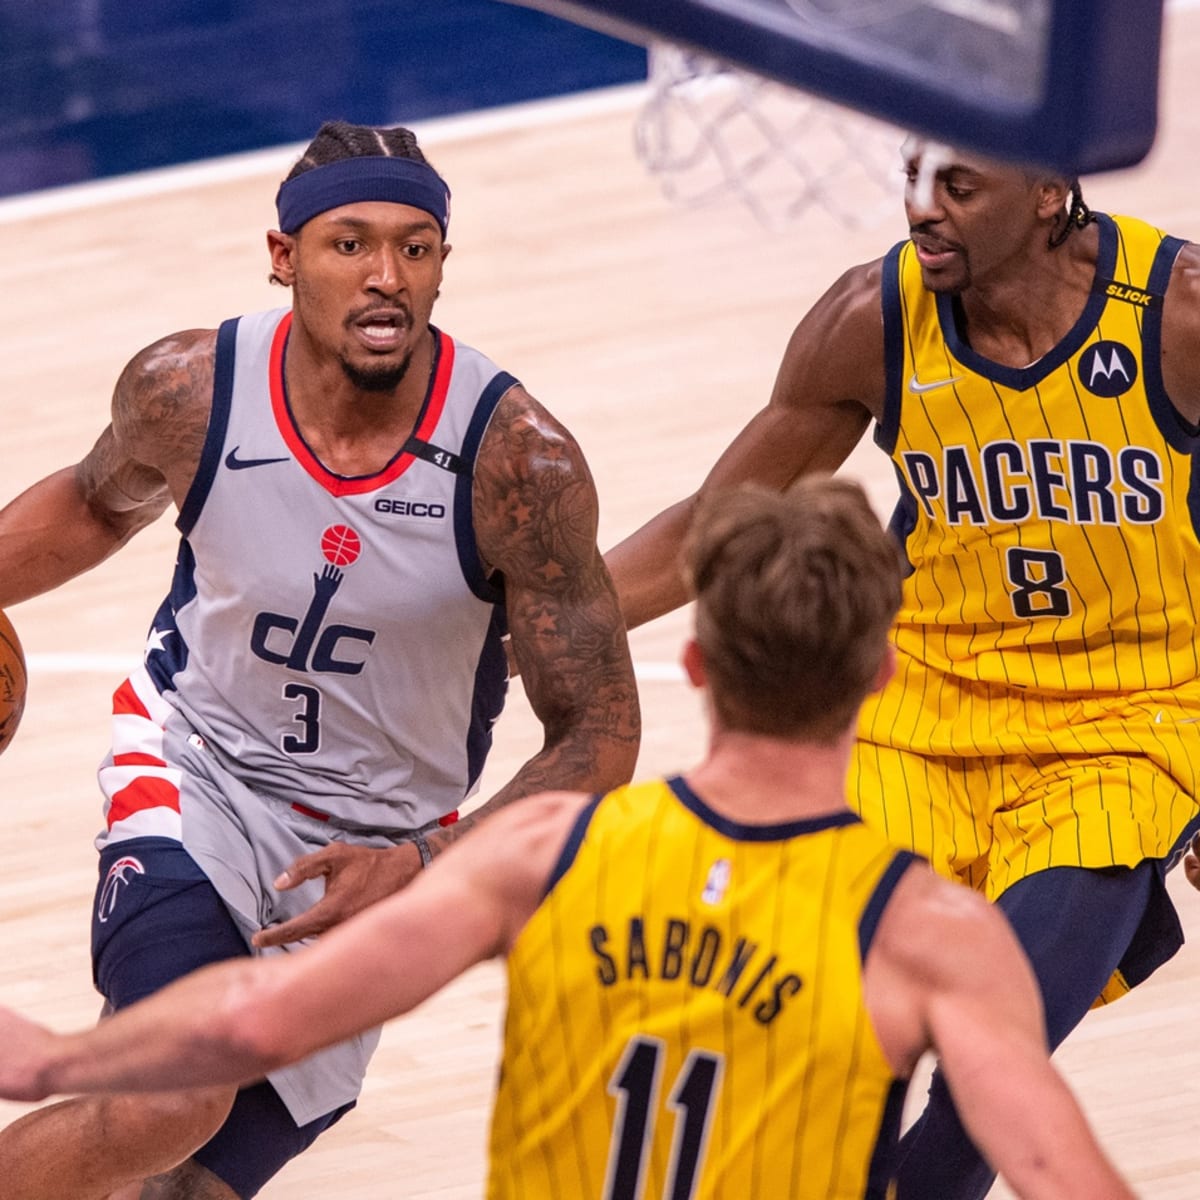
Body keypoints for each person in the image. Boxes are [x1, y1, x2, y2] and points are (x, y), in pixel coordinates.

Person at [0, 478, 1137, 1200]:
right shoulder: (932, 935)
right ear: (883, 674)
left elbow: (257, 1017)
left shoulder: (544, 854)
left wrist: (51, 1061)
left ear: (694, 667)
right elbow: (1058, 1171)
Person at [0, 120, 640, 1199]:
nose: (387, 276)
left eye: (415, 248)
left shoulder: (519, 465)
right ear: (283, 255)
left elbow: (600, 737)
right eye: (351, 245)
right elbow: (94, 504)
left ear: (442, 263)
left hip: (378, 853)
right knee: (169, 1098)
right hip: (198, 773)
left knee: (184, 1186)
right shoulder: (190, 390)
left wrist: (427, 863)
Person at [605, 138, 1200, 1199]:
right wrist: (526, 626)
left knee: (990, 1063)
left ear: (1050, 194)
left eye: (959, 188)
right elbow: (716, 525)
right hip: (915, 710)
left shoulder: (1178, 316)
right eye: (914, 180)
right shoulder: (871, 318)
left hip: (1128, 727)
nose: (924, 208)